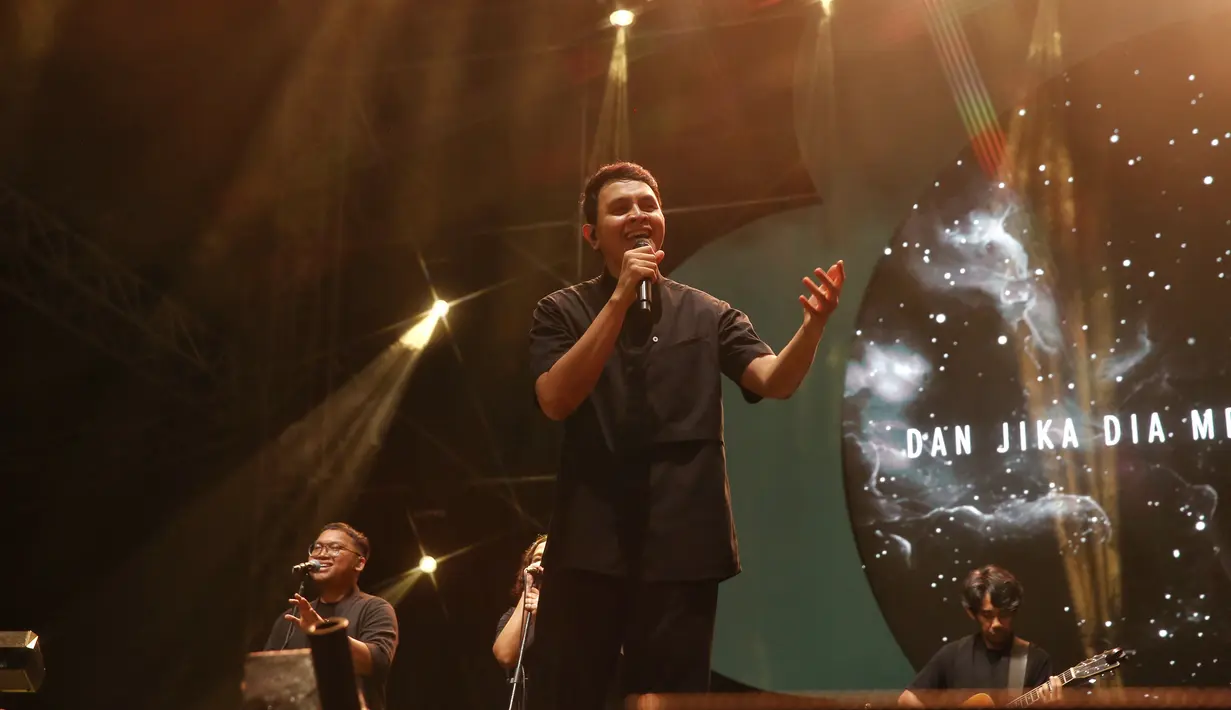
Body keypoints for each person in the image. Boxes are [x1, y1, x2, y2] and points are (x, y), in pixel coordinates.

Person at [528, 161, 845, 709]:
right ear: (591, 234)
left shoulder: (709, 313)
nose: (637, 215)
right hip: (589, 545)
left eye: (647, 205)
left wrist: (812, 329)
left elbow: (773, 380)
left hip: (683, 548)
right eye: (620, 207)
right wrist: (621, 298)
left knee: (669, 700)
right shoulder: (562, 310)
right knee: (573, 695)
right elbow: (556, 399)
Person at [263, 523, 399, 710]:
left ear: (359, 563)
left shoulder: (375, 608)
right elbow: (266, 678)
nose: (321, 554)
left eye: (335, 548)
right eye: (317, 547)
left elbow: (376, 663)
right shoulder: (290, 617)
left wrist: (324, 632)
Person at [898, 565, 1060, 707]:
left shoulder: (1036, 660)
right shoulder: (953, 654)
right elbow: (907, 700)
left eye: (1003, 614)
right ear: (972, 613)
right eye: (987, 615)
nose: (996, 623)